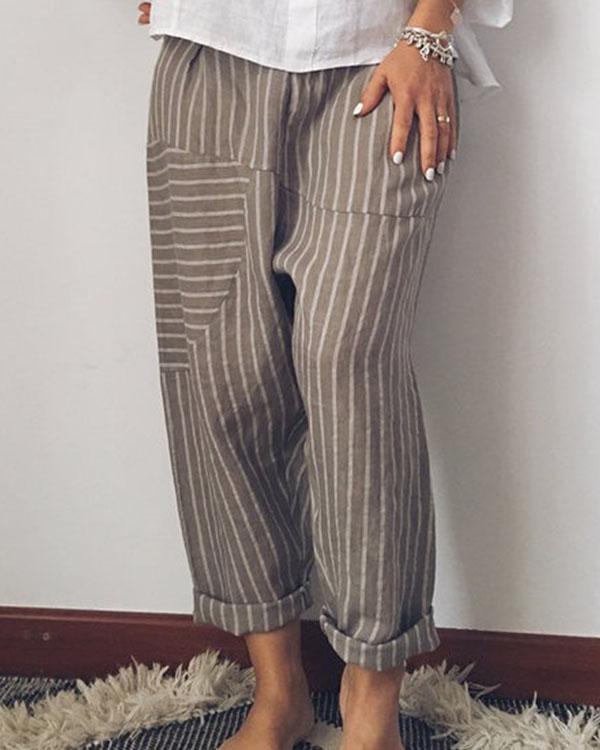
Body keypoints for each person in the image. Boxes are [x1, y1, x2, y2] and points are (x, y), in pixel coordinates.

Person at [137, 1, 512, 748]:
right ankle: (279, 695)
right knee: (221, 372)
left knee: (352, 369)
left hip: (382, 58)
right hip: (210, 58)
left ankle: (371, 712)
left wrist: (429, 28)